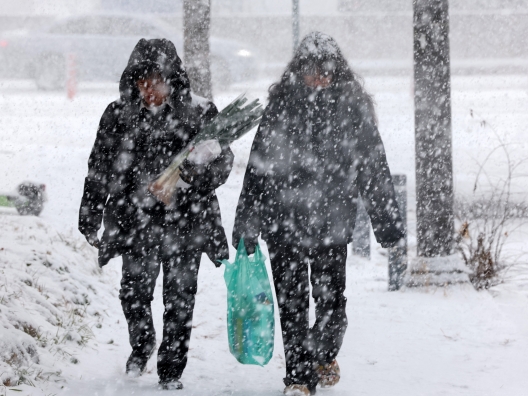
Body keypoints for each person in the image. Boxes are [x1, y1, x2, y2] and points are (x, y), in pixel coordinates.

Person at [232, 32, 405, 396]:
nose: (318, 79)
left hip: (332, 224)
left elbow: (373, 166)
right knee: (291, 304)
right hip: (284, 222)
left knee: (331, 304)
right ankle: (298, 378)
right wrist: (248, 221)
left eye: (325, 71)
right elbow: (258, 168)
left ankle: (323, 353)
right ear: (300, 71)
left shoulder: (352, 107)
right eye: (311, 71)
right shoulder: (281, 106)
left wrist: (386, 222)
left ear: (336, 71)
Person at [78, 38, 234, 390]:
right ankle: (143, 342)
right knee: (133, 294)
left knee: (180, 299)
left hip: (187, 222)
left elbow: (222, 162)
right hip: (135, 222)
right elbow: (99, 168)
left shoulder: (200, 113)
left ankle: (171, 370)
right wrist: (89, 214)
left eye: (156, 80)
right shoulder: (117, 116)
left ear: (173, 79)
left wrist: (191, 175)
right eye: (141, 81)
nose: (149, 89)